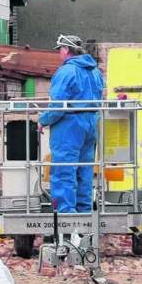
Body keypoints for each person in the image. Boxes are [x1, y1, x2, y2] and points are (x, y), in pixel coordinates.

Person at [40, 34, 104, 213]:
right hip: (91, 123)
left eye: (60, 49)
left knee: (64, 170)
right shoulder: (95, 72)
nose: (59, 53)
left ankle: (66, 213)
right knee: (84, 170)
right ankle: (84, 211)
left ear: (66, 50)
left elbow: (58, 106)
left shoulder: (66, 71)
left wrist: (43, 120)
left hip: (69, 126)